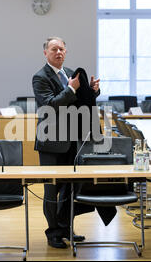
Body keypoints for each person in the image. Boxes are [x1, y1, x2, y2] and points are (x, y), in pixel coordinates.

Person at [32, 37, 100, 248]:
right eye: (54, 49)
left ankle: (65, 228)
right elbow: (50, 105)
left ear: (66, 51)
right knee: (52, 190)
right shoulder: (40, 77)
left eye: (61, 49)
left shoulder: (70, 72)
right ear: (45, 53)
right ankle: (53, 233)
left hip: (73, 141)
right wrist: (70, 89)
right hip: (51, 142)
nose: (58, 52)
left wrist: (92, 91)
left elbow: (81, 103)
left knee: (70, 189)